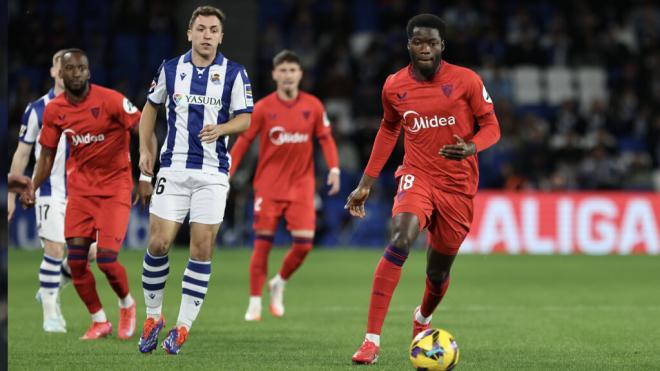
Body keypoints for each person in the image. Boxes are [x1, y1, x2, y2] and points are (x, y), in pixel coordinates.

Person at [346, 14, 501, 364]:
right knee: (400, 237)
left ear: (442, 45)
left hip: (458, 187)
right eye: (419, 42)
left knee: (438, 273)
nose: (425, 48)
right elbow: (388, 130)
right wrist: (365, 184)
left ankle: (422, 319)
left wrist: (472, 146)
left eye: (432, 42)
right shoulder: (394, 86)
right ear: (409, 45)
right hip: (417, 175)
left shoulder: (466, 81)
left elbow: (492, 125)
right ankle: (371, 340)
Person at [135, 5, 252, 355]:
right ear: (189, 33)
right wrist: (145, 154)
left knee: (201, 250)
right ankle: (153, 317)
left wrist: (222, 128)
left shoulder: (234, 72)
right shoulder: (171, 69)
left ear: (220, 36)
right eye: (200, 28)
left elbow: (245, 118)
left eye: (213, 30)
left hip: (213, 174)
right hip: (172, 169)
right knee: (158, 243)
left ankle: (182, 327)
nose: (206, 35)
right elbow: (149, 110)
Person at [21, 48, 142, 341]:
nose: (76, 73)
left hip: (115, 189)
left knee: (107, 260)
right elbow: (46, 156)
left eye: (81, 68)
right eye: (70, 69)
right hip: (81, 193)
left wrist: (146, 173)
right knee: (75, 262)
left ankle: (127, 304)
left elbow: (144, 127)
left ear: (89, 71)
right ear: (60, 74)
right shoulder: (54, 110)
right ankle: (99, 320)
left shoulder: (111, 100)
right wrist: (32, 187)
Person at [230, 50, 340, 322]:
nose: (288, 75)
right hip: (268, 186)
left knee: (303, 245)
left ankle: (279, 282)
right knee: (262, 245)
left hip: (302, 186)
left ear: (300, 74)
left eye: (293, 70)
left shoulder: (313, 106)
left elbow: (325, 138)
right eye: (283, 70)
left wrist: (334, 169)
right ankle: (255, 302)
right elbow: (244, 141)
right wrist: (228, 171)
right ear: (274, 74)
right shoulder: (264, 108)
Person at [8, 50, 80, 333]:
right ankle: (51, 314)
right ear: (53, 72)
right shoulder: (37, 108)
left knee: (92, 253)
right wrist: (12, 195)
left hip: (82, 191)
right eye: (62, 66)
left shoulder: (90, 107)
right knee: (54, 248)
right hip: (48, 188)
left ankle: (51, 286)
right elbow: (22, 154)